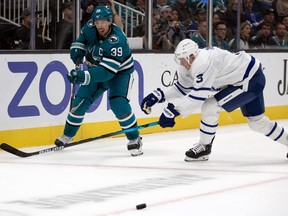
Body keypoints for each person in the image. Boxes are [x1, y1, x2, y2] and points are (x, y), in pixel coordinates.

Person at [140, 38, 288, 161]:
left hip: (251, 81)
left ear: (192, 56)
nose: (181, 63)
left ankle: (204, 147)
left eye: (182, 59)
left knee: (209, 106)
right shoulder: (189, 64)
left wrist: (174, 112)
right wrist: (160, 96)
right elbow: (182, 88)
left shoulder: (204, 63)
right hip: (245, 76)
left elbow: (198, 96)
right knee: (257, 123)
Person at [55, 6, 143, 157]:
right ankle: (67, 135)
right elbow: (81, 40)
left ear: (110, 21)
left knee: (118, 103)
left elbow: (106, 73)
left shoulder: (117, 40)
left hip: (119, 74)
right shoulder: (90, 27)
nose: (100, 25)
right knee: (80, 101)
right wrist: (77, 49)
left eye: (103, 22)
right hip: (96, 68)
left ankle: (135, 139)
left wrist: (82, 76)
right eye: (97, 22)